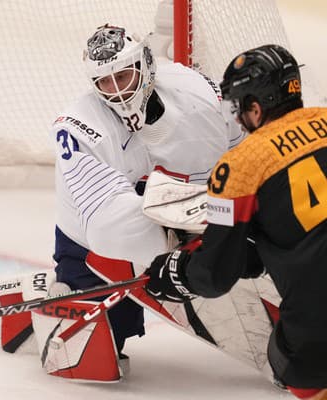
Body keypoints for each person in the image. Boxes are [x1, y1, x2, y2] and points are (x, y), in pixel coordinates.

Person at [0, 23, 244, 382]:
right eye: (104, 82)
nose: (116, 91)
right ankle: (45, 296)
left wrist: (231, 220)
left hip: (188, 220)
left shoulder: (198, 93)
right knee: (95, 355)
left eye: (123, 75)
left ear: (145, 66)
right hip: (95, 244)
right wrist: (180, 248)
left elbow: (242, 152)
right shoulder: (78, 128)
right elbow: (109, 228)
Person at [144, 44, 327, 399]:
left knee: (290, 358)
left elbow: (215, 276)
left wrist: (178, 272)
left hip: (316, 333)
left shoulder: (239, 165)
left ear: (255, 108)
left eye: (238, 106)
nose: (236, 116)